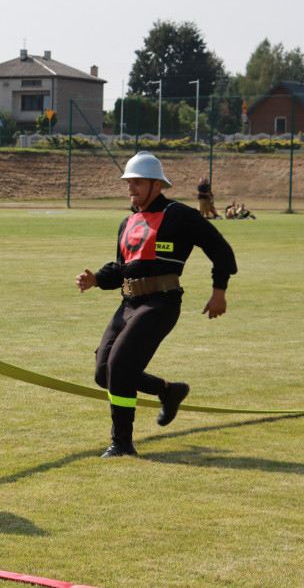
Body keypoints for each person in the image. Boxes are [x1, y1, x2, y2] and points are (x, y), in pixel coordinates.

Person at [76, 151, 237, 458]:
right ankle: (169, 391)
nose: (130, 188)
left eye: (137, 182)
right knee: (104, 374)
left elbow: (221, 251)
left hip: (161, 304)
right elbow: (123, 267)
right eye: (128, 183)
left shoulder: (180, 215)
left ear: (157, 185)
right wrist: (96, 278)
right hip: (129, 304)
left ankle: (121, 443)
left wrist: (219, 292)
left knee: (121, 367)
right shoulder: (128, 221)